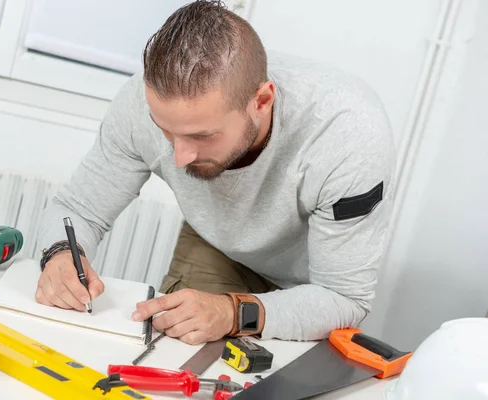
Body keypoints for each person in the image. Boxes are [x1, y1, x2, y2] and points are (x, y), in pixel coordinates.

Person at [35, 0, 396, 345]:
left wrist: (231, 312)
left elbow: (343, 297)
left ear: (262, 101)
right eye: (165, 130)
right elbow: (81, 209)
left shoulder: (347, 136)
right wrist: (61, 256)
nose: (179, 157)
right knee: (172, 354)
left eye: (202, 136)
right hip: (219, 243)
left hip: (314, 285)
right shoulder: (139, 103)